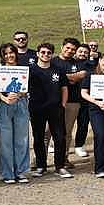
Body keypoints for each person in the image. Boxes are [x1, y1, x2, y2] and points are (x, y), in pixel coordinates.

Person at [28, 43, 72, 178]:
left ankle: (60, 166)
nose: (45, 55)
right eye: (43, 52)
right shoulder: (31, 70)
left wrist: (63, 104)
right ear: (37, 54)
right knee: (39, 138)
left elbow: (64, 88)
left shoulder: (58, 70)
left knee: (59, 137)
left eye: (48, 52)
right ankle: (41, 166)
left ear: (52, 54)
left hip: (56, 109)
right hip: (37, 109)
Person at [0, 43, 30, 184]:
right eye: (6, 53)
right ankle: (7, 173)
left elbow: (27, 87)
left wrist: (21, 93)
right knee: (5, 141)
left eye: (11, 52)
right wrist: (4, 98)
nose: (9, 55)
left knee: (22, 139)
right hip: (4, 104)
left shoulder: (23, 70)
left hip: (21, 103)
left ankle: (21, 172)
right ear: (2, 55)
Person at [49, 37, 87, 168]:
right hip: (52, 102)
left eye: (73, 49)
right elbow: (46, 76)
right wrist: (71, 78)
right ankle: (39, 159)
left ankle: (63, 158)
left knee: (66, 132)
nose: (70, 51)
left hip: (73, 102)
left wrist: (60, 77)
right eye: (68, 48)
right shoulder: (52, 61)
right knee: (47, 132)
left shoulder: (78, 63)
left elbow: (82, 75)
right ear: (62, 47)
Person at [73, 44, 91, 157]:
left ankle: (79, 145)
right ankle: (54, 144)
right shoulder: (70, 63)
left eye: (85, 52)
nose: (82, 54)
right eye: (80, 51)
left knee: (83, 124)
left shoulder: (91, 65)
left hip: (85, 99)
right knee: (63, 124)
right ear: (76, 52)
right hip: (70, 98)